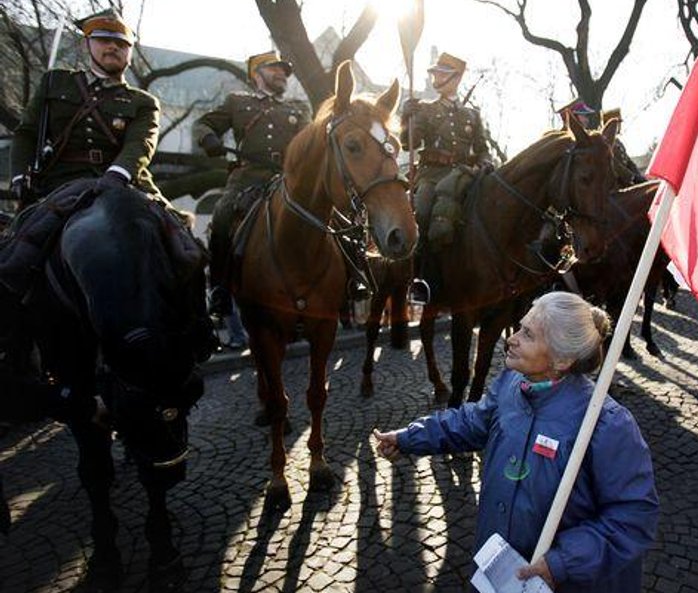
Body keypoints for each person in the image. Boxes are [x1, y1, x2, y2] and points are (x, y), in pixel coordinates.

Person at [374, 291, 659, 593]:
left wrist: (561, 563)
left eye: (528, 334)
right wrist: (409, 438)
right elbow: (471, 421)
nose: (511, 339)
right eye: (520, 327)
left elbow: (634, 516)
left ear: (562, 359)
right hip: (498, 576)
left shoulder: (606, 424)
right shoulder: (511, 383)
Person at [193, 50, 311, 317]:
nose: (282, 73)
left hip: (286, 179)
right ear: (256, 74)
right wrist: (208, 139)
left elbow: (309, 141)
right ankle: (220, 288)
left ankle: (348, 281)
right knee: (222, 215)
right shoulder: (237, 102)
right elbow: (203, 123)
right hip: (247, 176)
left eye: (284, 70)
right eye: (274, 69)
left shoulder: (297, 108)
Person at [10, 9, 162, 207]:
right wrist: (20, 176)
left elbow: (140, 144)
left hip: (123, 183)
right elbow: (27, 133)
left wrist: (117, 174)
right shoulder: (55, 82)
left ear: (130, 53)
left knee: (176, 232)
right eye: (103, 40)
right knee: (22, 235)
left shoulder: (144, 103)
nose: (113, 47)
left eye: (122, 43)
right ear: (86, 44)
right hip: (57, 183)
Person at [401, 52, 492, 303]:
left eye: (441, 73)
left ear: (456, 78)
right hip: (431, 175)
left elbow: (482, 147)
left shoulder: (472, 115)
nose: (436, 77)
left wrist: (485, 161)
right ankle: (420, 279)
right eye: (435, 73)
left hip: (462, 174)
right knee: (422, 211)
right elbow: (408, 144)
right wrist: (406, 117)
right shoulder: (426, 110)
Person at [601, 108, 647, 188]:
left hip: (626, 182)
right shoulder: (605, 143)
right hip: (616, 184)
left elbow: (629, 162)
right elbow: (615, 164)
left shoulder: (618, 142)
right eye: (618, 123)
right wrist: (632, 177)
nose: (620, 126)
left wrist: (638, 176)